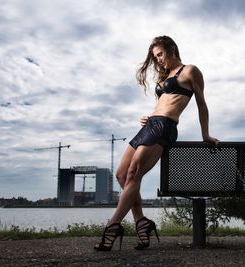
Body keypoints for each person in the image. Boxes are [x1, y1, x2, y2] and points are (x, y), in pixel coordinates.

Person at [94, 36, 219, 251]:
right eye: (155, 57)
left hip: (165, 128)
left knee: (134, 173)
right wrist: (149, 115)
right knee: (122, 175)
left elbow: (201, 103)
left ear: (171, 49)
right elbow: (162, 104)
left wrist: (205, 134)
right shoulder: (165, 76)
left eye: (160, 54)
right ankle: (142, 222)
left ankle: (113, 225)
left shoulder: (190, 71)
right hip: (150, 126)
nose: (158, 60)